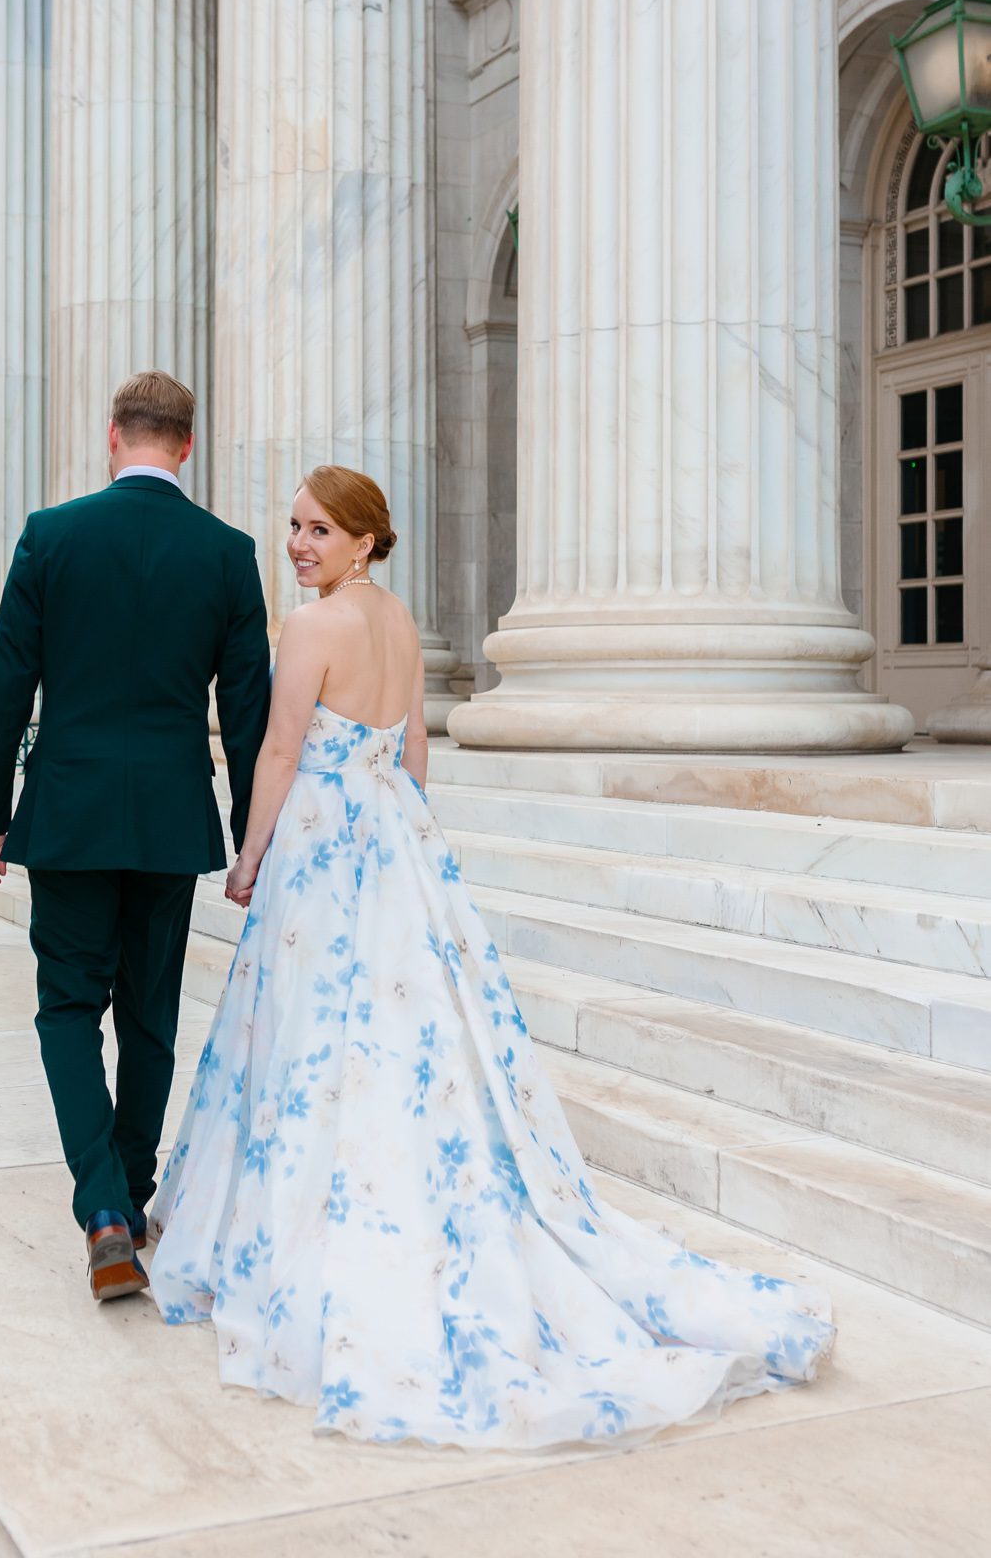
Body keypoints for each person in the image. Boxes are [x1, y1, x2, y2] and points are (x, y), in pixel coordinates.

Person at [148, 464, 835, 1452]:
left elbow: (278, 751)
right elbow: (414, 738)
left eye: (318, 529)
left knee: (307, 1035)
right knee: (404, 1035)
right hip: (395, 838)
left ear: (363, 540)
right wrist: (411, 833)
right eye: (293, 525)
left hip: (323, 848)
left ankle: (301, 1228)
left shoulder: (310, 627)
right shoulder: (393, 620)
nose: (297, 542)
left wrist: (250, 854)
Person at [0, 370, 271, 1302]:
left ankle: (102, 1210)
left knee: (66, 1009)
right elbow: (248, 713)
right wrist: (255, 835)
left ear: (112, 438)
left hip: (70, 812)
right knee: (150, 1017)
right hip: (172, 816)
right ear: (186, 445)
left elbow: (7, 688)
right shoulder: (226, 552)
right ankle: (128, 1200)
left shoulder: (51, 537)